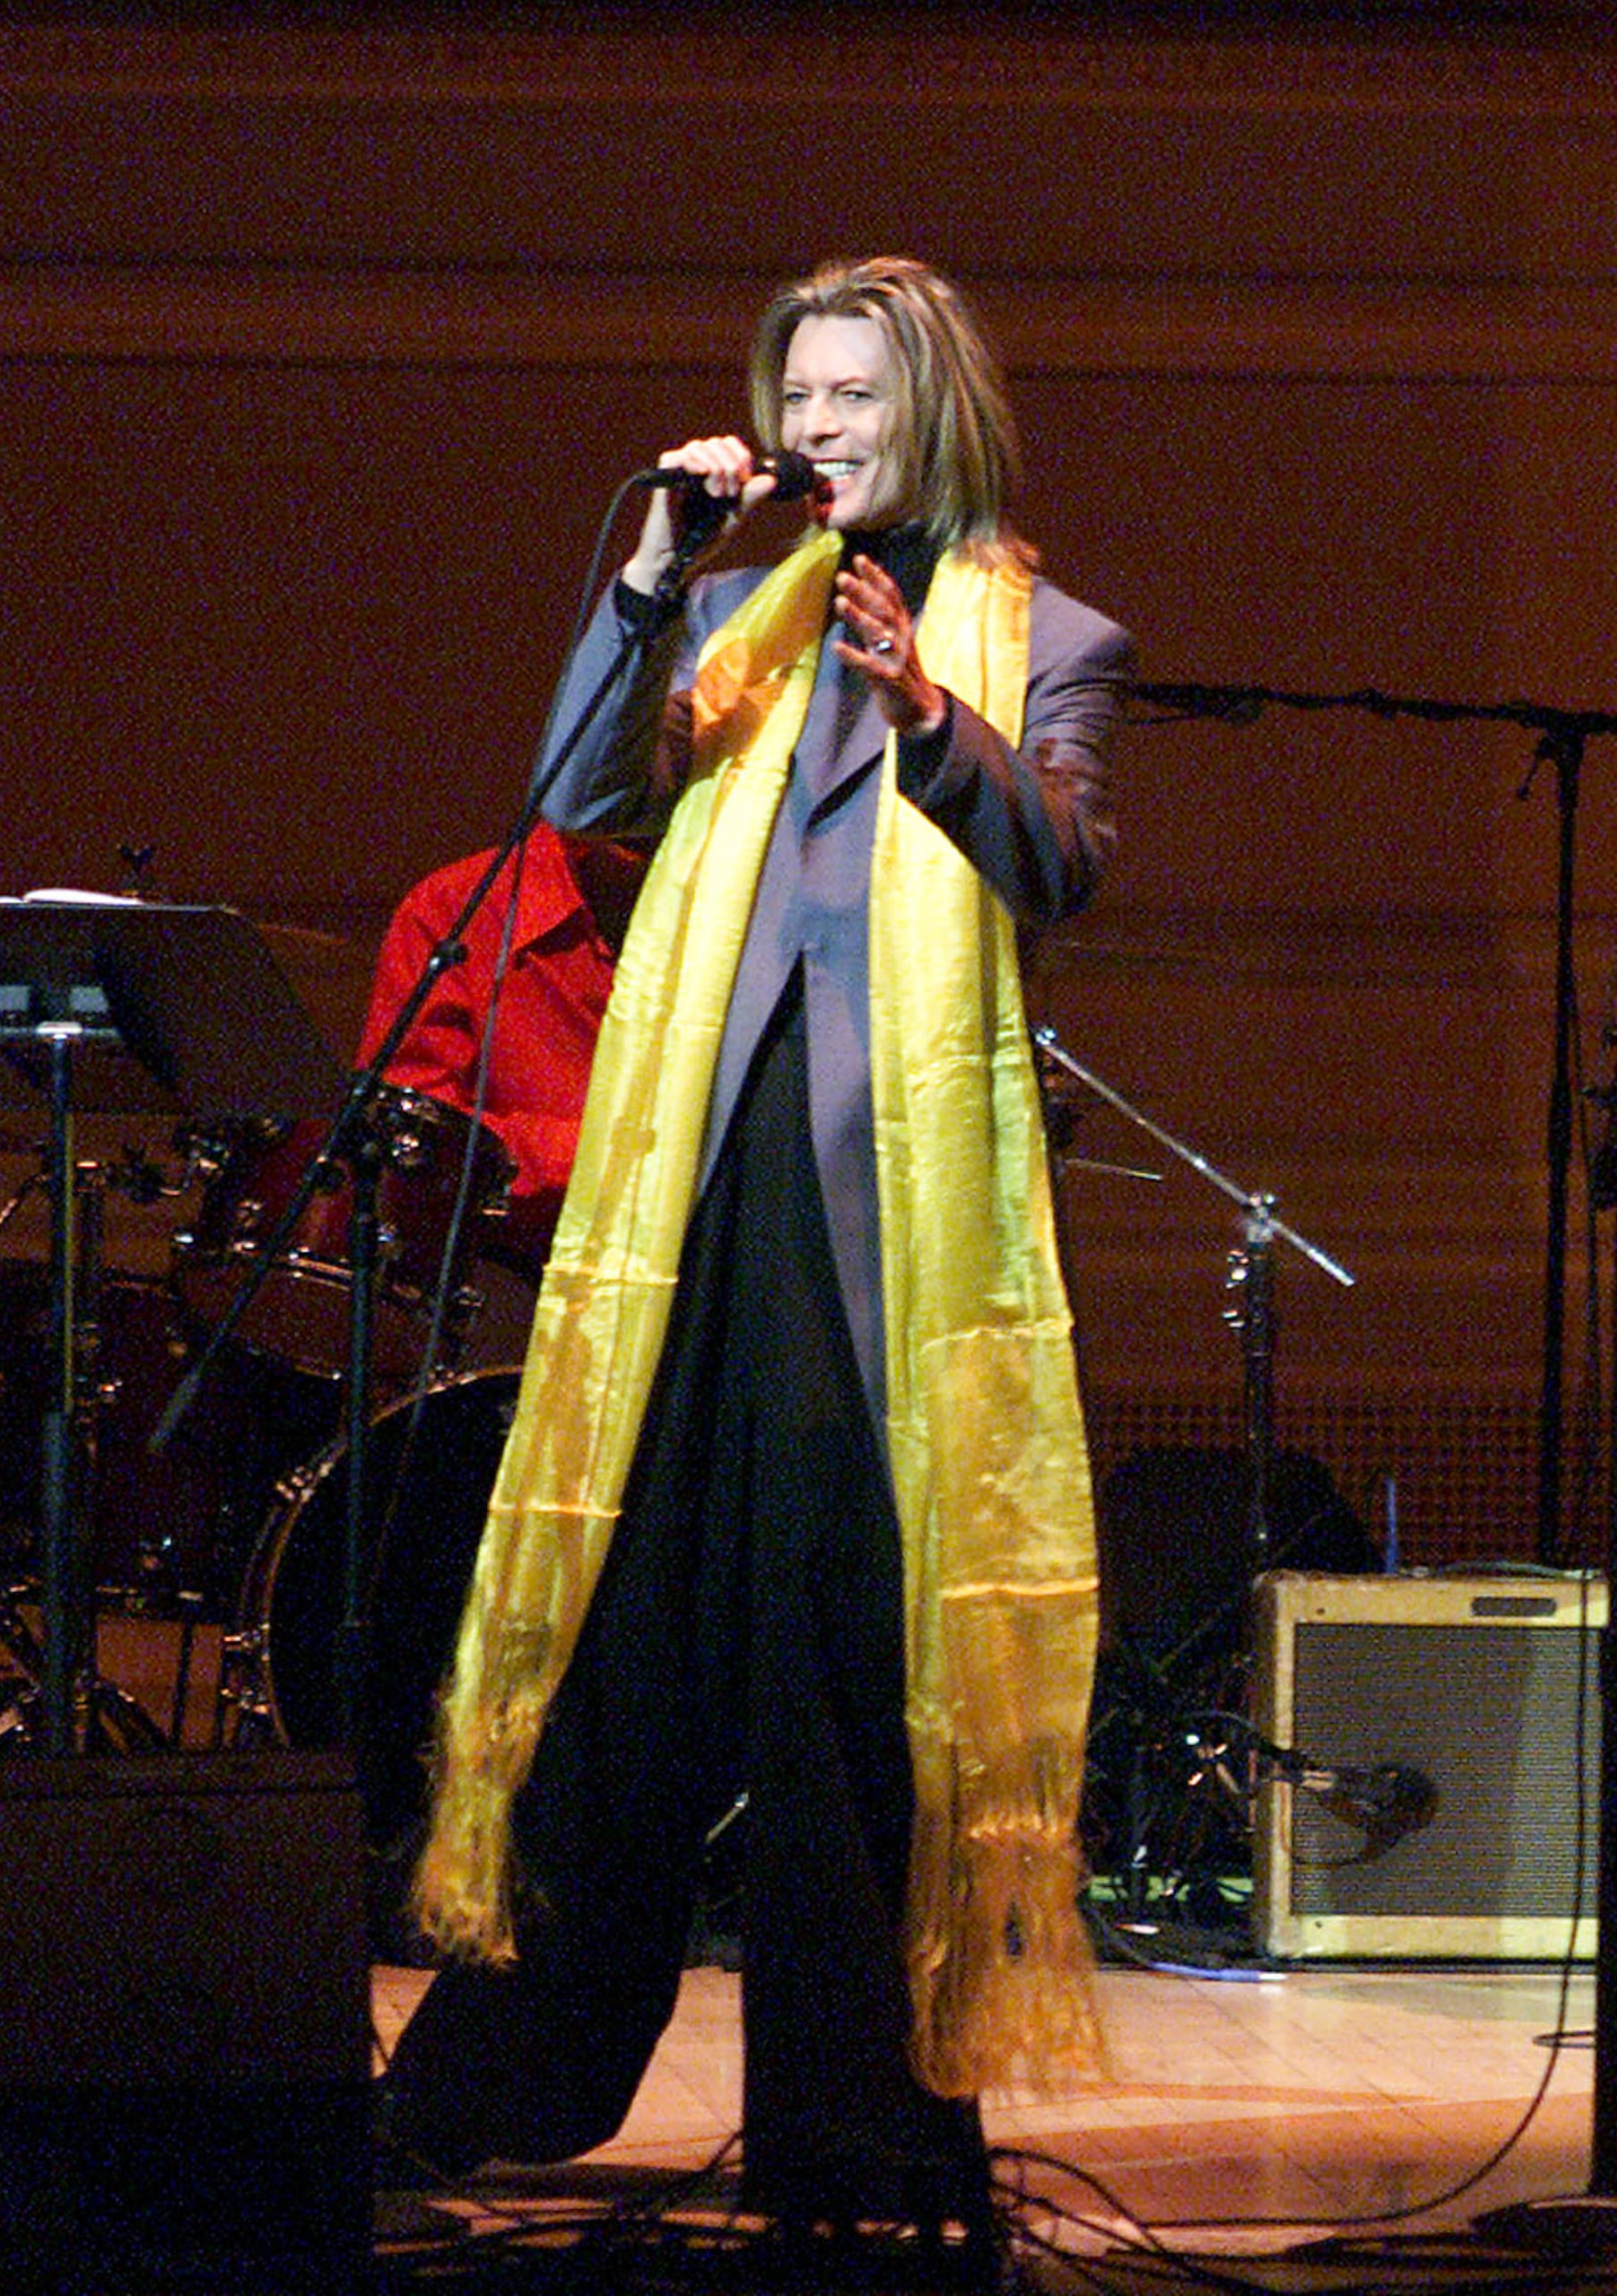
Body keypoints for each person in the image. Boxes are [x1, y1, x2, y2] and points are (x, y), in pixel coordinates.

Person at [378, 255, 1124, 2259]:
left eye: (853, 396)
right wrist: (641, 575)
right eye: (797, 394)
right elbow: (564, 802)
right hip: (685, 1205)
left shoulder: (1046, 632)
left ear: (932, 406)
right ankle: (488, 2083)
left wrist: (928, 709)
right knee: (620, 1637)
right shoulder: (724, 611)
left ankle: (859, 2131)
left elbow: (1058, 859)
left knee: (830, 1673)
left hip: (871, 1230)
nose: (816, 429)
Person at [361, 821, 645, 1274]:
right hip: (505, 1278)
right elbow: (411, 1154)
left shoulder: (761, 919)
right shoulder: (454, 908)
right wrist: (622, 1160)